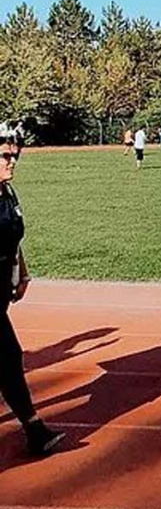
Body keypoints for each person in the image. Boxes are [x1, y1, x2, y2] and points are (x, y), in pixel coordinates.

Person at [0, 132, 65, 457]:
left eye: (14, 156)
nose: (12, 161)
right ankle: (34, 429)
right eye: (5, 156)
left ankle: (34, 429)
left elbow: (14, 238)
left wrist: (22, 271)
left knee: (8, 360)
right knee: (8, 357)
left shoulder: (7, 194)